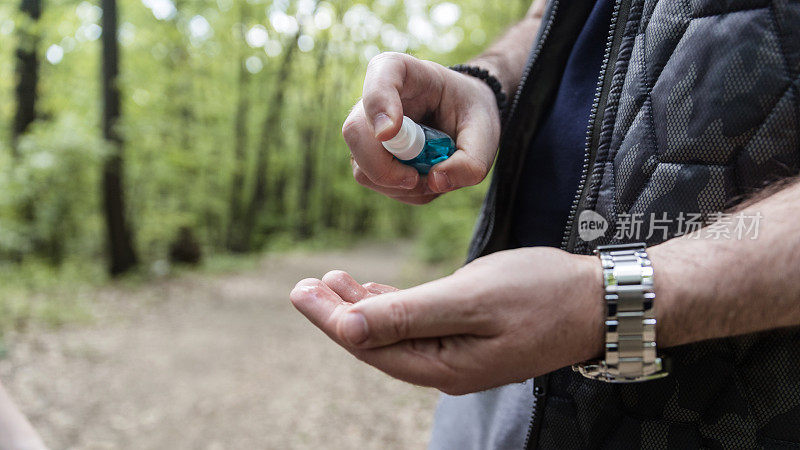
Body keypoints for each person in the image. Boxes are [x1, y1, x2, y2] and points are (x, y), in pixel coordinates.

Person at [291, 0, 800, 447]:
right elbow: (547, 17)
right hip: (505, 348)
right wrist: (485, 82)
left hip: (718, 407)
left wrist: (605, 305)